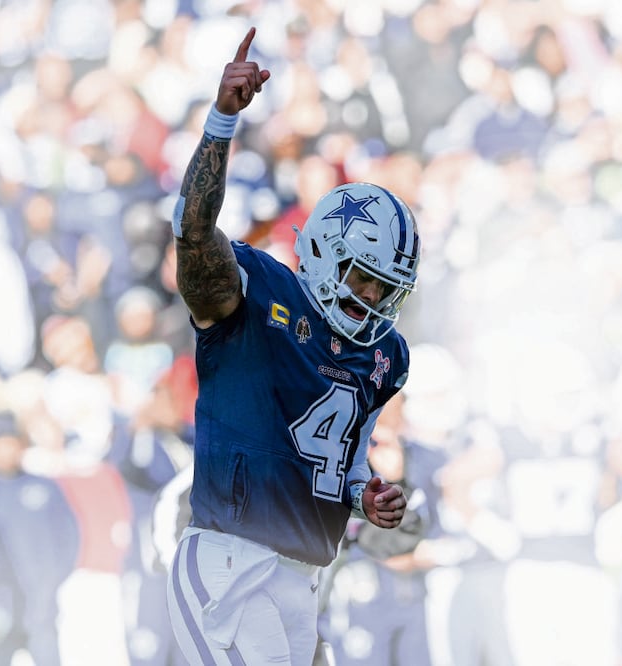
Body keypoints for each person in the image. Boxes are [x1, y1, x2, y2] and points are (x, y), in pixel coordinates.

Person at [165, 28, 420, 666]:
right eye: (365, 278)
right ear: (329, 255)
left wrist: (367, 495)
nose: (374, 300)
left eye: (388, 288)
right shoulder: (259, 294)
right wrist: (224, 119)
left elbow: (341, 457)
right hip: (230, 559)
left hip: (301, 577)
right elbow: (193, 231)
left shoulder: (385, 357)